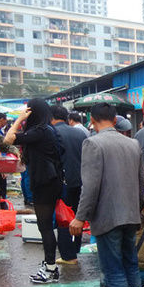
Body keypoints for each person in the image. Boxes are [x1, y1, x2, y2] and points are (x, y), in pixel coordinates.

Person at [69, 102, 144, 287]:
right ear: (114, 120)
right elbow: (141, 182)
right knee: (130, 262)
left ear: (91, 120)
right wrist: (138, 208)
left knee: (113, 266)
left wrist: (80, 216)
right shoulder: (133, 144)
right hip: (131, 213)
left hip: (108, 215)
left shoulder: (92, 143)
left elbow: (90, 186)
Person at [4, 99, 64, 284]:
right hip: (50, 181)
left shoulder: (40, 131)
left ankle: (50, 269)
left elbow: (7, 139)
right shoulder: (48, 130)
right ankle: (49, 265)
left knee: (45, 227)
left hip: (44, 183)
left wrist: (18, 120)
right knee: (45, 226)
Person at [51, 105, 87, 265]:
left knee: (63, 217)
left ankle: (68, 255)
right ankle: (76, 247)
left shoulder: (52, 133)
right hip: (81, 180)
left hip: (62, 182)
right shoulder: (79, 133)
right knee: (77, 216)